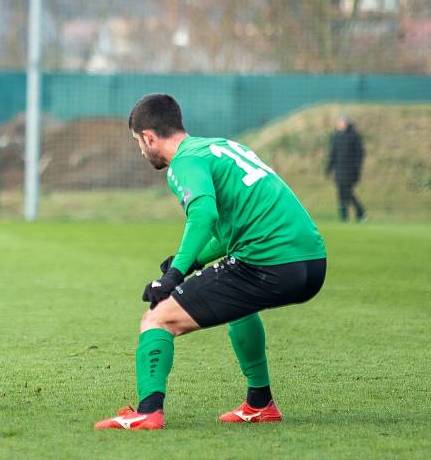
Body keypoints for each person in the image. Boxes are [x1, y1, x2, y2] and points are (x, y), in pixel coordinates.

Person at [95, 94, 327, 430]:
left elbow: (204, 214)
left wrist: (172, 276)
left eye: (138, 143)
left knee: (156, 319)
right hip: (311, 263)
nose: (141, 150)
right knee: (241, 305)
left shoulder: (183, 163)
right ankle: (260, 403)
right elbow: (237, 223)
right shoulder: (220, 147)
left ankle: (148, 411)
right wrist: (190, 261)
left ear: (148, 137)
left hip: (268, 264)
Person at [325, 115, 366, 222]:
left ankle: (360, 211)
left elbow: (359, 154)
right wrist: (329, 168)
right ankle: (344, 217)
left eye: (343, 122)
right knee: (341, 193)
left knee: (348, 192)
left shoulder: (354, 136)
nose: (341, 124)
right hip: (339, 170)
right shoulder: (336, 136)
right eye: (339, 122)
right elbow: (333, 154)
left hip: (350, 170)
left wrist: (356, 169)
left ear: (347, 123)